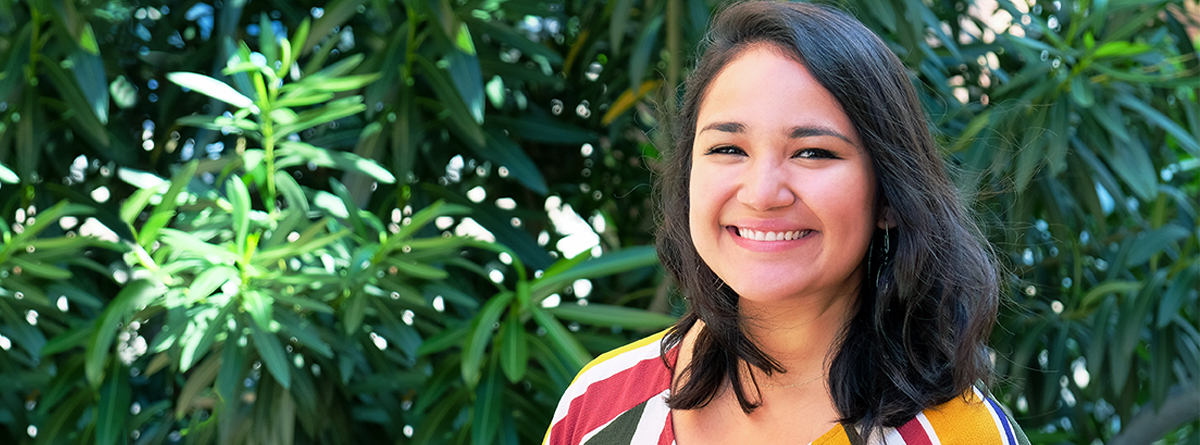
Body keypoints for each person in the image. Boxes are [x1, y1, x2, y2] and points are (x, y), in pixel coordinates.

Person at [544, 2, 1028, 444]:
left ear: (889, 196)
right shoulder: (597, 406)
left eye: (813, 152)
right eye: (728, 149)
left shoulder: (963, 436)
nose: (761, 194)